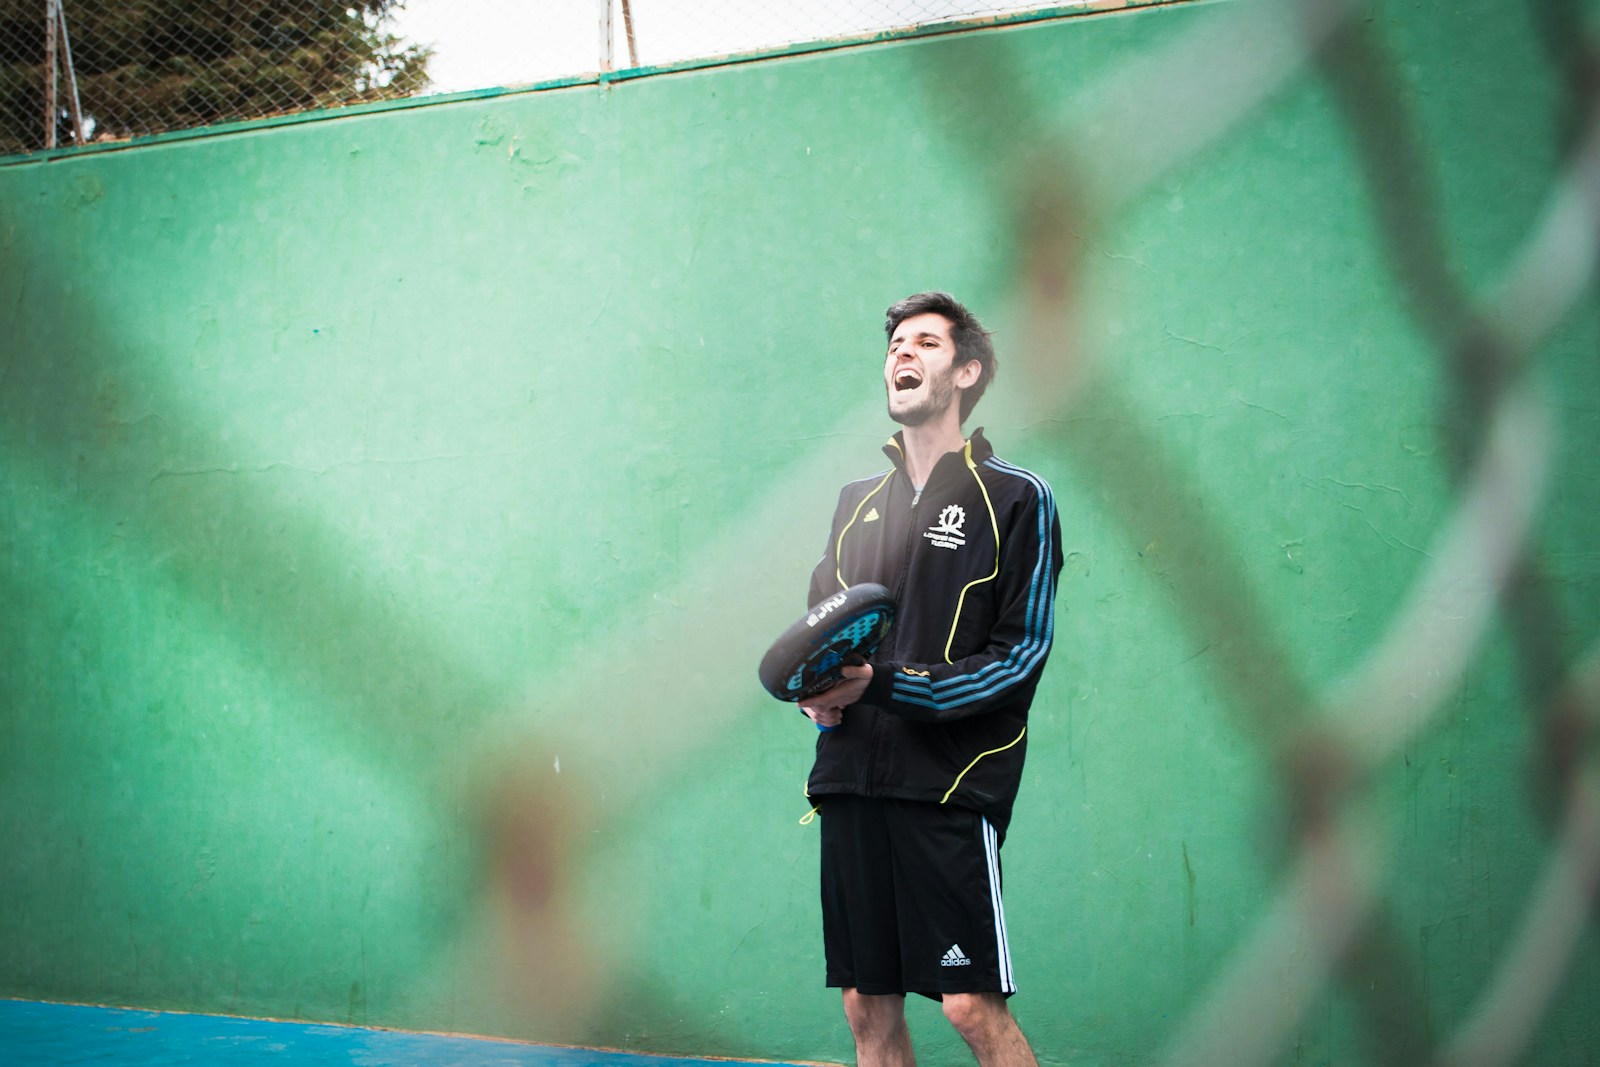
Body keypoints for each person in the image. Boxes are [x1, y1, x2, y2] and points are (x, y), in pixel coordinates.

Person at [799, 292, 1063, 1067]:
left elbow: (1018, 658)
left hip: (949, 785)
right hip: (850, 782)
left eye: (926, 343)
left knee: (969, 1008)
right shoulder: (855, 505)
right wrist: (815, 696)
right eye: (895, 346)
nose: (902, 355)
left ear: (968, 369)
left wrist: (880, 685)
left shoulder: (1017, 498)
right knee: (864, 1005)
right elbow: (823, 634)